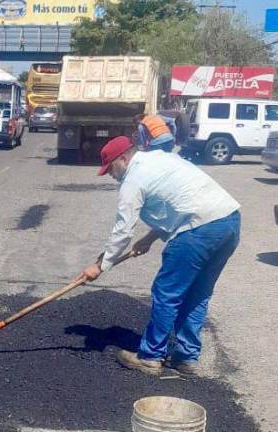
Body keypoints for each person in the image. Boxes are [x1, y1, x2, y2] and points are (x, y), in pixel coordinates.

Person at [80, 136, 241, 376]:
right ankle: (186, 357)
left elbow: (123, 230)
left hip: (198, 231)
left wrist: (101, 265)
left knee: (167, 293)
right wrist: (150, 238)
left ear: (123, 159)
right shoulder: (161, 158)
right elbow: (179, 200)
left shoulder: (133, 180)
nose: (111, 175)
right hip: (229, 223)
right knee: (197, 294)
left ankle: (150, 356)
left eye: (111, 168)